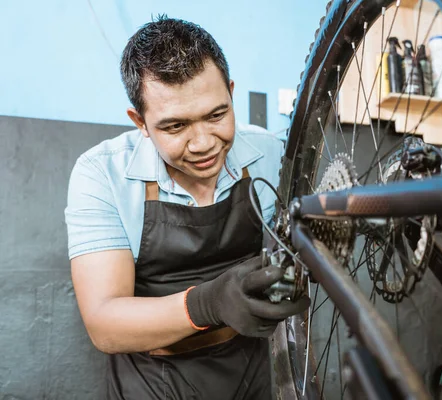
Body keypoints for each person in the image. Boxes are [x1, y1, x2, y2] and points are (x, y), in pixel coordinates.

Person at [65, 16, 310, 399]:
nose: (202, 143)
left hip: (257, 370)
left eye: (216, 115)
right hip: (154, 380)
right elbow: (104, 323)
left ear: (230, 93)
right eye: (176, 127)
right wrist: (209, 302)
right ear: (140, 122)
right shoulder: (102, 174)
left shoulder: (268, 154)